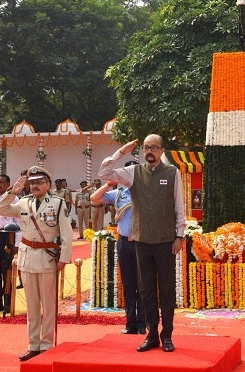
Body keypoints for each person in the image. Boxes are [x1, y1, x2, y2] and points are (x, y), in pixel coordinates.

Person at [98, 135, 185, 353]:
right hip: (141, 240)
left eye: (154, 147)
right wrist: (121, 152)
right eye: (147, 147)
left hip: (165, 241)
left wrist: (180, 236)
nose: (150, 151)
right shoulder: (133, 173)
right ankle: (152, 335)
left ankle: (167, 335)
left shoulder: (172, 172)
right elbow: (104, 174)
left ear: (161, 150)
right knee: (146, 290)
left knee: (166, 290)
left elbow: (179, 207)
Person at [0, 166, 73, 361]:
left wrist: (64, 258)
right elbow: (0, 209)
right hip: (27, 256)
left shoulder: (57, 203)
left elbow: (66, 234)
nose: (35, 186)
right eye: (32, 183)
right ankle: (33, 344)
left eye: (39, 182)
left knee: (48, 305)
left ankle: (46, 344)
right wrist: (11, 192)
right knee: (31, 305)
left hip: (47, 256)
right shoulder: (23, 202)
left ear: (48, 184)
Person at [90, 163, 146, 335]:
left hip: (141, 243)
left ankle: (143, 324)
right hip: (123, 242)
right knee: (128, 285)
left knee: (142, 285)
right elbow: (94, 198)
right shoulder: (119, 193)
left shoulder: (146, 192)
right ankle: (130, 323)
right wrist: (109, 184)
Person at [0, 174, 20, 313]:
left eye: (2, 182)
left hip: (6, 235)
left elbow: (19, 223)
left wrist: (17, 243)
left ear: (8, 185)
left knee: (6, 269)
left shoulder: (14, 199)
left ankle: (8, 302)